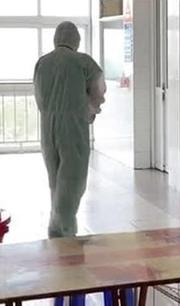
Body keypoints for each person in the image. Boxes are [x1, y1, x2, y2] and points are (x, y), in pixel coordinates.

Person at [33, 21, 106, 238]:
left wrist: (50, 112)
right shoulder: (82, 61)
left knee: (55, 179)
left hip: (48, 127)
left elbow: (39, 96)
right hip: (73, 126)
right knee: (72, 180)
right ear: (76, 40)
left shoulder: (42, 63)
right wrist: (91, 109)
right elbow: (98, 87)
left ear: (56, 38)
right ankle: (64, 233)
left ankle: (56, 229)